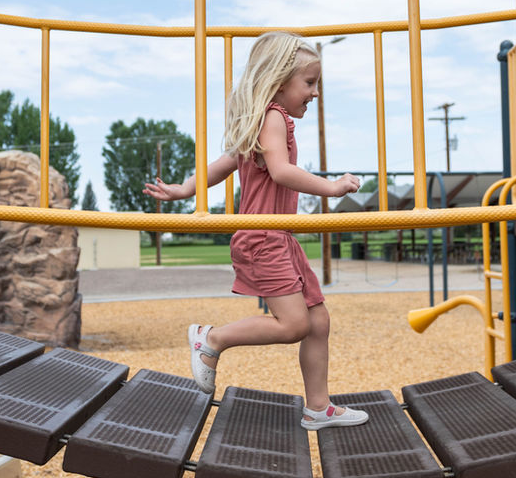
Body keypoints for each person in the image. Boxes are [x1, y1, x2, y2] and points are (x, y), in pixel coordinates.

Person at [144, 31, 367, 430]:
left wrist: (185, 189)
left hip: (279, 236)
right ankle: (211, 339)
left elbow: (225, 163)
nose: (314, 93)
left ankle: (318, 407)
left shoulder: (262, 122)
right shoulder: (272, 118)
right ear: (279, 81)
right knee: (294, 325)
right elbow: (282, 172)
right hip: (264, 238)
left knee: (318, 322)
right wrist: (331, 187)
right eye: (309, 83)